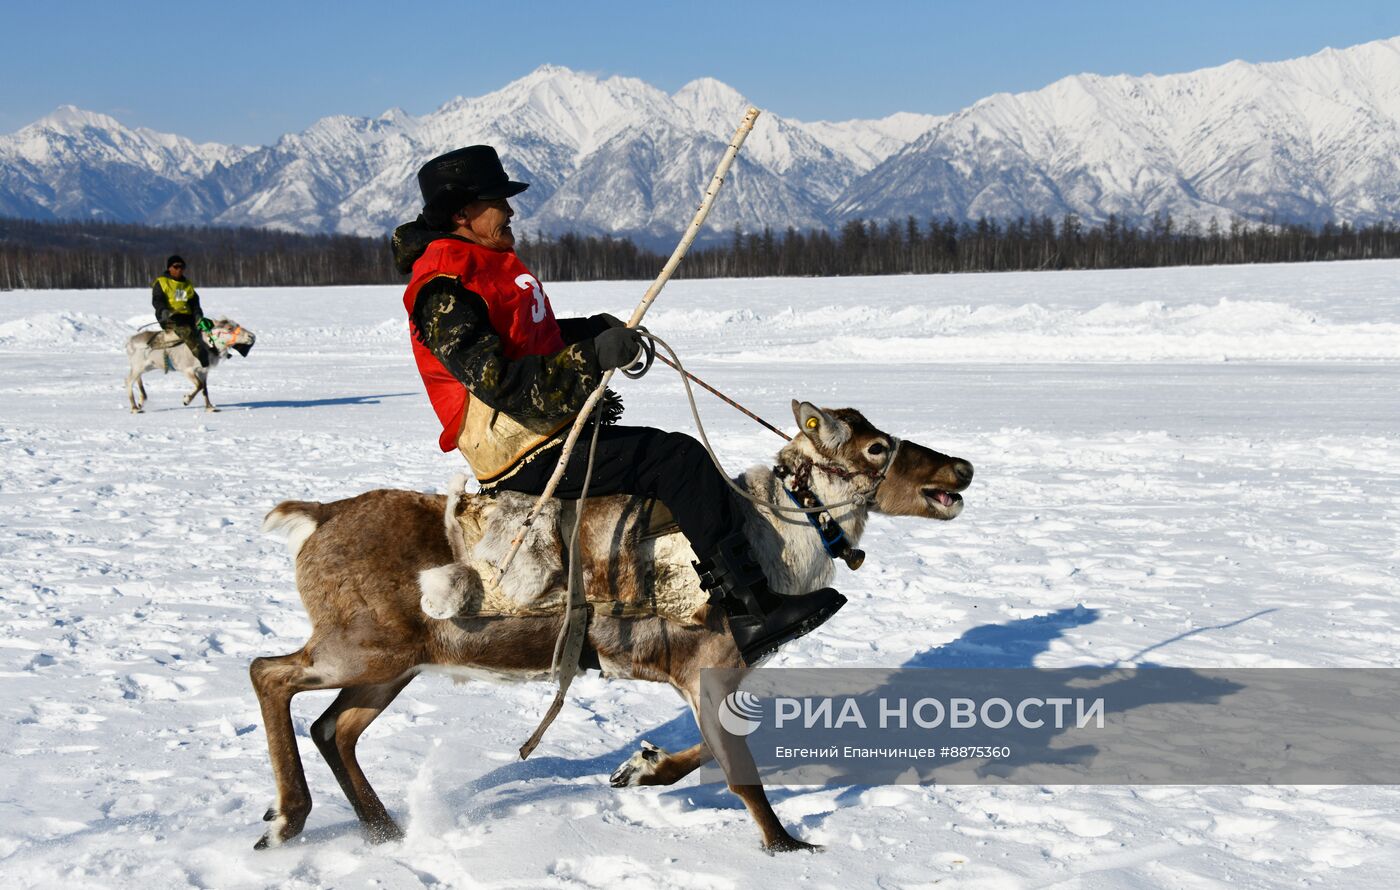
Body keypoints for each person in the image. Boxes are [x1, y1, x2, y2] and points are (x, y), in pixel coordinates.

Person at [391, 145, 845, 665]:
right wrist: (590, 356)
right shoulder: (443, 287)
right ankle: (752, 609)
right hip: (522, 451)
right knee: (678, 459)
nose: (511, 211)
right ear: (461, 213)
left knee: (672, 456)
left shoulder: (479, 263)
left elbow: (527, 339)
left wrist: (591, 331)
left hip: (546, 433)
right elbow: (500, 381)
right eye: (498, 200)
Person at [151, 255, 211, 367]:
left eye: (182, 267)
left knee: (208, 326)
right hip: (170, 317)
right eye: (176, 266)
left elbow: (194, 302)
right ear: (169, 268)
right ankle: (202, 357)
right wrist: (163, 310)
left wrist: (198, 315)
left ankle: (228, 349)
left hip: (187, 316)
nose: (180, 269)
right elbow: (157, 300)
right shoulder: (162, 282)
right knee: (186, 331)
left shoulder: (187, 284)